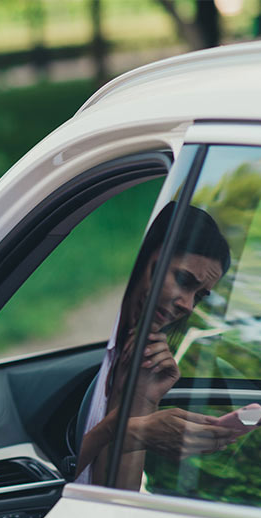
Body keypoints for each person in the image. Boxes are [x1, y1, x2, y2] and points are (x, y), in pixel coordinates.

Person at [75, 202, 234, 489]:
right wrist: (125, 429)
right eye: (184, 281)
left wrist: (143, 399)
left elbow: (115, 495)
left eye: (199, 297)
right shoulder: (84, 337)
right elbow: (62, 477)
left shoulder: (132, 355)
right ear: (148, 257)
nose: (188, 305)